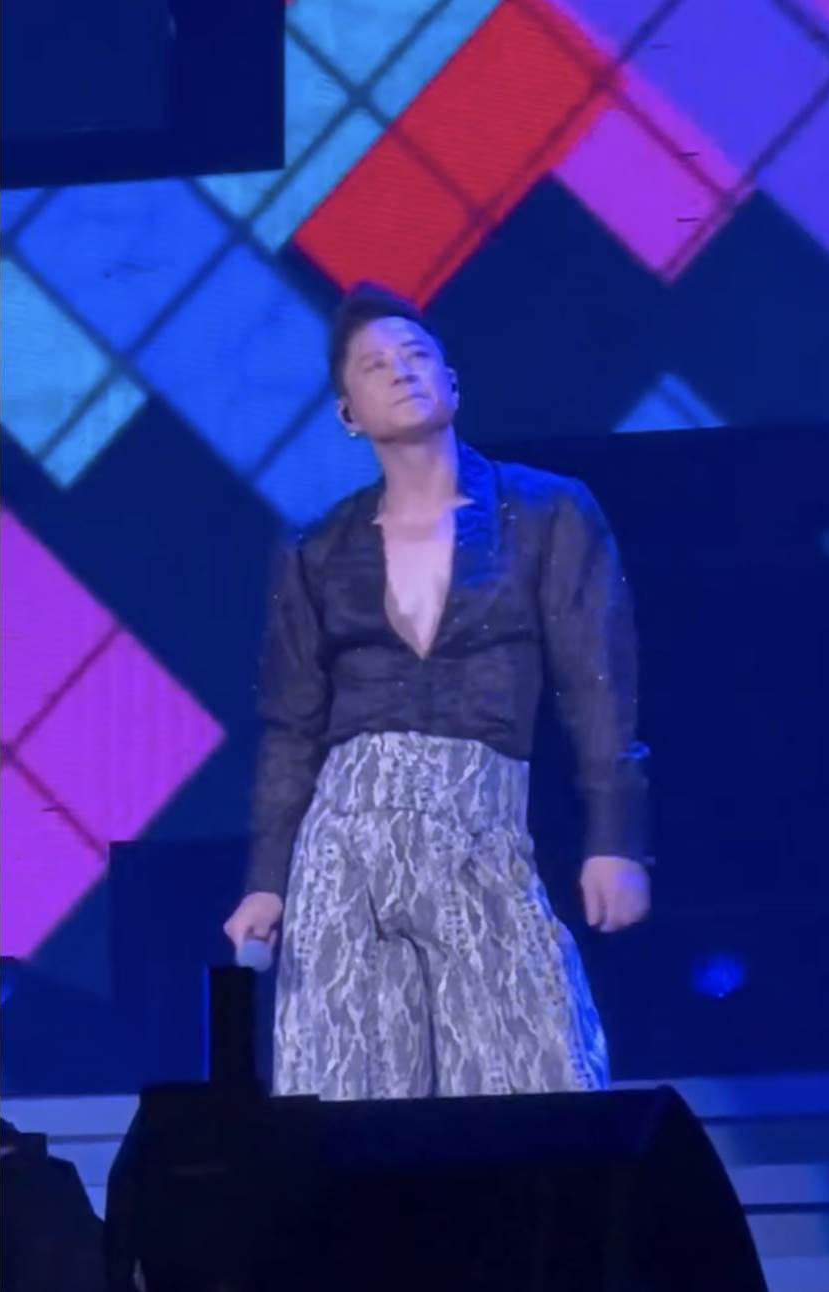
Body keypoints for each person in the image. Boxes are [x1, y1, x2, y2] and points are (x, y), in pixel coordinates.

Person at [224, 283, 651, 1100]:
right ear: (348, 413)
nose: (401, 370)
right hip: (344, 842)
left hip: (481, 830)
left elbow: (597, 684)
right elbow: (291, 724)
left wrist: (616, 839)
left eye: (417, 355)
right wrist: (267, 880)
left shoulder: (546, 511)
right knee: (350, 1098)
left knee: (536, 1080)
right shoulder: (316, 546)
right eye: (375, 365)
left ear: (452, 382)